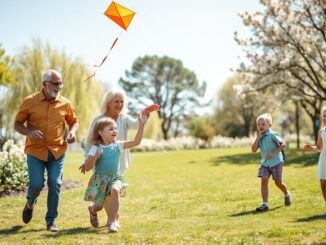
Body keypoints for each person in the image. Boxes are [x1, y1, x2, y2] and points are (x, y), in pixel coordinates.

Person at [14, 69, 79, 232]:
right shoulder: (29, 101)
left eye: (61, 83)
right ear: (45, 84)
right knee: (36, 184)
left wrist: (72, 132)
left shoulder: (66, 103)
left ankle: (51, 221)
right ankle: (30, 203)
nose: (59, 86)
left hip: (57, 151)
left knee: (55, 183)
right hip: (35, 152)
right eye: (56, 83)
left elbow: (74, 122)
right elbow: (17, 124)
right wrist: (29, 132)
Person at [80, 90, 145, 226]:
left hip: (118, 164)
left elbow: (135, 126)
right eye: (117, 101)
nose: (120, 104)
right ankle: (94, 210)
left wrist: (142, 119)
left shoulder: (124, 118)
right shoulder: (98, 121)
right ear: (108, 103)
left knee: (114, 192)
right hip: (101, 166)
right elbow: (89, 142)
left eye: (122, 101)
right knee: (102, 201)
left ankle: (113, 221)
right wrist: (89, 159)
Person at [251, 113, 291, 212]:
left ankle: (286, 193)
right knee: (264, 180)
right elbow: (253, 149)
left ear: (270, 125)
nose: (260, 126)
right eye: (258, 124)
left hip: (276, 162)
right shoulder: (259, 136)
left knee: (278, 183)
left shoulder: (272, 135)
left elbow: (283, 145)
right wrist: (257, 138)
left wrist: (273, 154)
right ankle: (265, 204)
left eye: (263, 124)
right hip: (265, 163)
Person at [303, 107, 326, 206]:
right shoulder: (321, 131)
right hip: (323, 160)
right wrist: (310, 147)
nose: (325, 118)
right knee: (323, 186)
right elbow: (319, 147)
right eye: (324, 116)